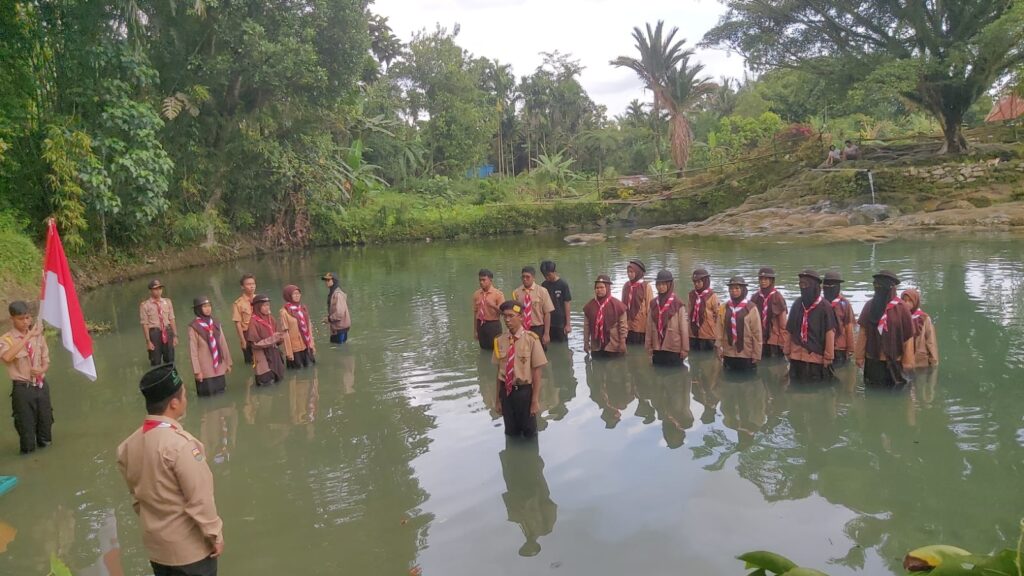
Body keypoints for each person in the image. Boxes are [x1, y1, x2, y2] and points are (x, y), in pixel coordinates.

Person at [117, 364, 225, 576]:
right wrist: (215, 535)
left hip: (157, 550)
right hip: (190, 553)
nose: (186, 398)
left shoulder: (128, 446)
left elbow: (137, 499)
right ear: (174, 404)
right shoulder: (181, 446)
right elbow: (200, 499)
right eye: (183, 394)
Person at [1, 301, 54, 454]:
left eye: (28, 318)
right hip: (23, 390)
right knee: (26, 433)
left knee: (46, 429)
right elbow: (7, 357)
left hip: (41, 387)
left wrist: (41, 370)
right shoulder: (6, 339)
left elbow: (46, 361)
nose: (25, 322)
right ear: (12, 319)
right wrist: (28, 336)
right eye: (21, 319)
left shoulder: (39, 337)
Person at [494, 300, 548, 439]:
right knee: (511, 432)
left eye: (511, 316)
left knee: (530, 433)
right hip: (506, 393)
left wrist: (535, 401)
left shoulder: (532, 340)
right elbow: (499, 372)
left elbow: (537, 372)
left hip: (524, 392)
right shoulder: (499, 341)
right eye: (505, 316)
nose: (507, 320)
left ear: (521, 317)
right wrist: (497, 400)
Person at [855, 270, 915, 388]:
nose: (879, 289)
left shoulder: (902, 308)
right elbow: (863, 332)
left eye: (882, 286)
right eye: (876, 285)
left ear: (892, 288)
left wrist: (908, 361)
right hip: (873, 359)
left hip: (895, 360)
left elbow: (908, 337)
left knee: (896, 390)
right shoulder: (869, 306)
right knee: (872, 389)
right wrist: (859, 356)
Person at [783, 270, 837, 382]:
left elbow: (830, 333)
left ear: (814, 286)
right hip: (796, 356)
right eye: (801, 284)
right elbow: (789, 329)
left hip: (816, 358)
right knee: (795, 385)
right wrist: (787, 350)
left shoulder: (825, 307)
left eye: (805, 284)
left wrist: (828, 356)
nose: (803, 288)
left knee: (815, 386)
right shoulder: (797, 304)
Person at [187, 297, 233, 397]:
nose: (208, 309)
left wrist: (228, 363)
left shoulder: (215, 323)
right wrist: (197, 371)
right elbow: (193, 351)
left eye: (209, 306)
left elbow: (223, 344)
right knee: (208, 396)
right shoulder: (194, 326)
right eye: (204, 307)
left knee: (222, 394)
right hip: (205, 369)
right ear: (198, 309)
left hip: (219, 366)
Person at [716, 276, 762, 372]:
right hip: (728, 352)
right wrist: (718, 347)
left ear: (743, 289)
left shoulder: (751, 308)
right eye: (731, 288)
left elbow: (757, 333)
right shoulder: (724, 307)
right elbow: (719, 330)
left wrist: (757, 353)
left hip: (747, 353)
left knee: (748, 377)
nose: (733, 291)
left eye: (737, 288)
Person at [645, 270, 689, 366]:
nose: (660, 287)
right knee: (657, 371)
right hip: (657, 347)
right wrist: (648, 346)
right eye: (658, 284)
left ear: (669, 285)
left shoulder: (678, 304)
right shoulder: (653, 304)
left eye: (664, 284)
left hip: (674, 348)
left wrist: (685, 349)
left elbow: (684, 329)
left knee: (675, 373)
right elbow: (649, 326)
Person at [582, 275, 628, 357]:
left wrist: (622, 343)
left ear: (608, 288)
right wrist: (586, 343)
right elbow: (586, 326)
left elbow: (623, 326)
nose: (599, 290)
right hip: (596, 347)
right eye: (597, 288)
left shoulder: (618, 306)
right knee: (596, 364)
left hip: (613, 346)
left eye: (602, 287)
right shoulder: (589, 306)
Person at [245, 294, 285, 386]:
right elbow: (255, 344)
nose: (267, 308)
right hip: (262, 357)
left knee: (278, 380)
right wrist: (273, 338)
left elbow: (277, 335)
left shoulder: (271, 319)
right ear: (257, 307)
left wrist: (281, 338)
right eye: (264, 305)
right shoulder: (253, 322)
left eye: (268, 305)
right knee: (267, 382)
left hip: (274, 354)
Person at [512, 266, 555, 349]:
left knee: (539, 353)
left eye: (527, 277)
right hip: (522, 328)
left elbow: (547, 313)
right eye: (523, 277)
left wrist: (546, 333)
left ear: (533, 278)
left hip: (538, 328)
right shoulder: (516, 292)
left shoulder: (542, 291)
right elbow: (515, 313)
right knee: (523, 351)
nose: (525, 279)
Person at [751, 267, 788, 358]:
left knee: (775, 360)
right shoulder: (755, 297)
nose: (763, 281)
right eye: (761, 279)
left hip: (775, 338)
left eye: (766, 279)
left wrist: (783, 341)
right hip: (759, 337)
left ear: (771, 280)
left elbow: (783, 323)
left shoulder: (778, 297)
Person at [140, 279, 178, 366]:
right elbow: (145, 324)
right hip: (155, 333)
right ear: (150, 290)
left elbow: (172, 319)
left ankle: (169, 372)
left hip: (167, 331)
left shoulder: (167, 302)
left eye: (160, 288)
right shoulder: (145, 305)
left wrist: (175, 336)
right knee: (155, 361)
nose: (158, 291)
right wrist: (148, 341)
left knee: (170, 359)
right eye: (155, 289)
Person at [279, 285, 316, 369]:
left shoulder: (303, 308)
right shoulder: (284, 312)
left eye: (298, 293)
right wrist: (289, 352)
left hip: (307, 345)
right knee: (298, 370)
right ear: (288, 296)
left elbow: (309, 327)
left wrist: (312, 344)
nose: (297, 295)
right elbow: (285, 333)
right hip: (295, 349)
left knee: (311, 368)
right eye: (294, 294)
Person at [823, 271, 855, 366]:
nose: (829, 288)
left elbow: (849, 327)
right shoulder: (820, 303)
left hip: (839, 348)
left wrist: (850, 348)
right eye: (827, 285)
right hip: (823, 347)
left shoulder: (844, 304)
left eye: (832, 285)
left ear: (838, 287)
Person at [901, 288, 939, 367]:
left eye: (910, 301)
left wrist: (934, 362)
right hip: (904, 362)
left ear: (915, 302)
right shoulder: (899, 317)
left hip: (920, 362)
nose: (907, 303)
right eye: (904, 300)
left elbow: (931, 341)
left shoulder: (925, 318)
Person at [622, 259, 653, 345]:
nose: (629, 274)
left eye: (632, 272)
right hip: (627, 325)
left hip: (640, 326)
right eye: (628, 272)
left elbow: (650, 307)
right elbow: (622, 305)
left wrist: (649, 326)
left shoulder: (646, 286)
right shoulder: (626, 285)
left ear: (638, 272)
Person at [688, 268, 721, 351]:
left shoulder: (712, 296)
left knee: (708, 355)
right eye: (695, 282)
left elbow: (718, 316)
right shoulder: (691, 295)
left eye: (699, 282)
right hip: (692, 334)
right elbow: (689, 313)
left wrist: (718, 336)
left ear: (705, 281)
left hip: (708, 334)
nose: (696, 284)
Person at [540, 261, 572, 344]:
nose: (547, 277)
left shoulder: (563, 284)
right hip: (547, 321)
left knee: (562, 344)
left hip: (560, 322)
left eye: (549, 275)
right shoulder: (544, 285)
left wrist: (568, 324)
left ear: (554, 272)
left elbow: (567, 303)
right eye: (545, 275)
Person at [472, 269, 504, 351]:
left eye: (484, 280)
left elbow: (503, 312)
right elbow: (475, 313)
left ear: (490, 280)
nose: (481, 282)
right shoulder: (476, 294)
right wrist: (475, 331)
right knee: (483, 348)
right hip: (480, 325)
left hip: (493, 325)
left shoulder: (498, 294)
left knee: (496, 349)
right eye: (480, 280)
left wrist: (493, 305)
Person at [231, 274, 256, 365]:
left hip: (260, 333)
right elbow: (238, 323)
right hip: (247, 334)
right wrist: (243, 340)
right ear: (242, 287)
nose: (252, 286)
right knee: (251, 362)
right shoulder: (238, 304)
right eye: (248, 284)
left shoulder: (260, 299)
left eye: (253, 283)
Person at [321, 272, 351, 345]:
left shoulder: (337, 294)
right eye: (326, 280)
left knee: (339, 348)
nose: (326, 282)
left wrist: (329, 319)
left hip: (340, 328)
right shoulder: (333, 292)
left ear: (334, 281)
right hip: (338, 328)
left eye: (328, 280)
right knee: (339, 347)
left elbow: (339, 313)